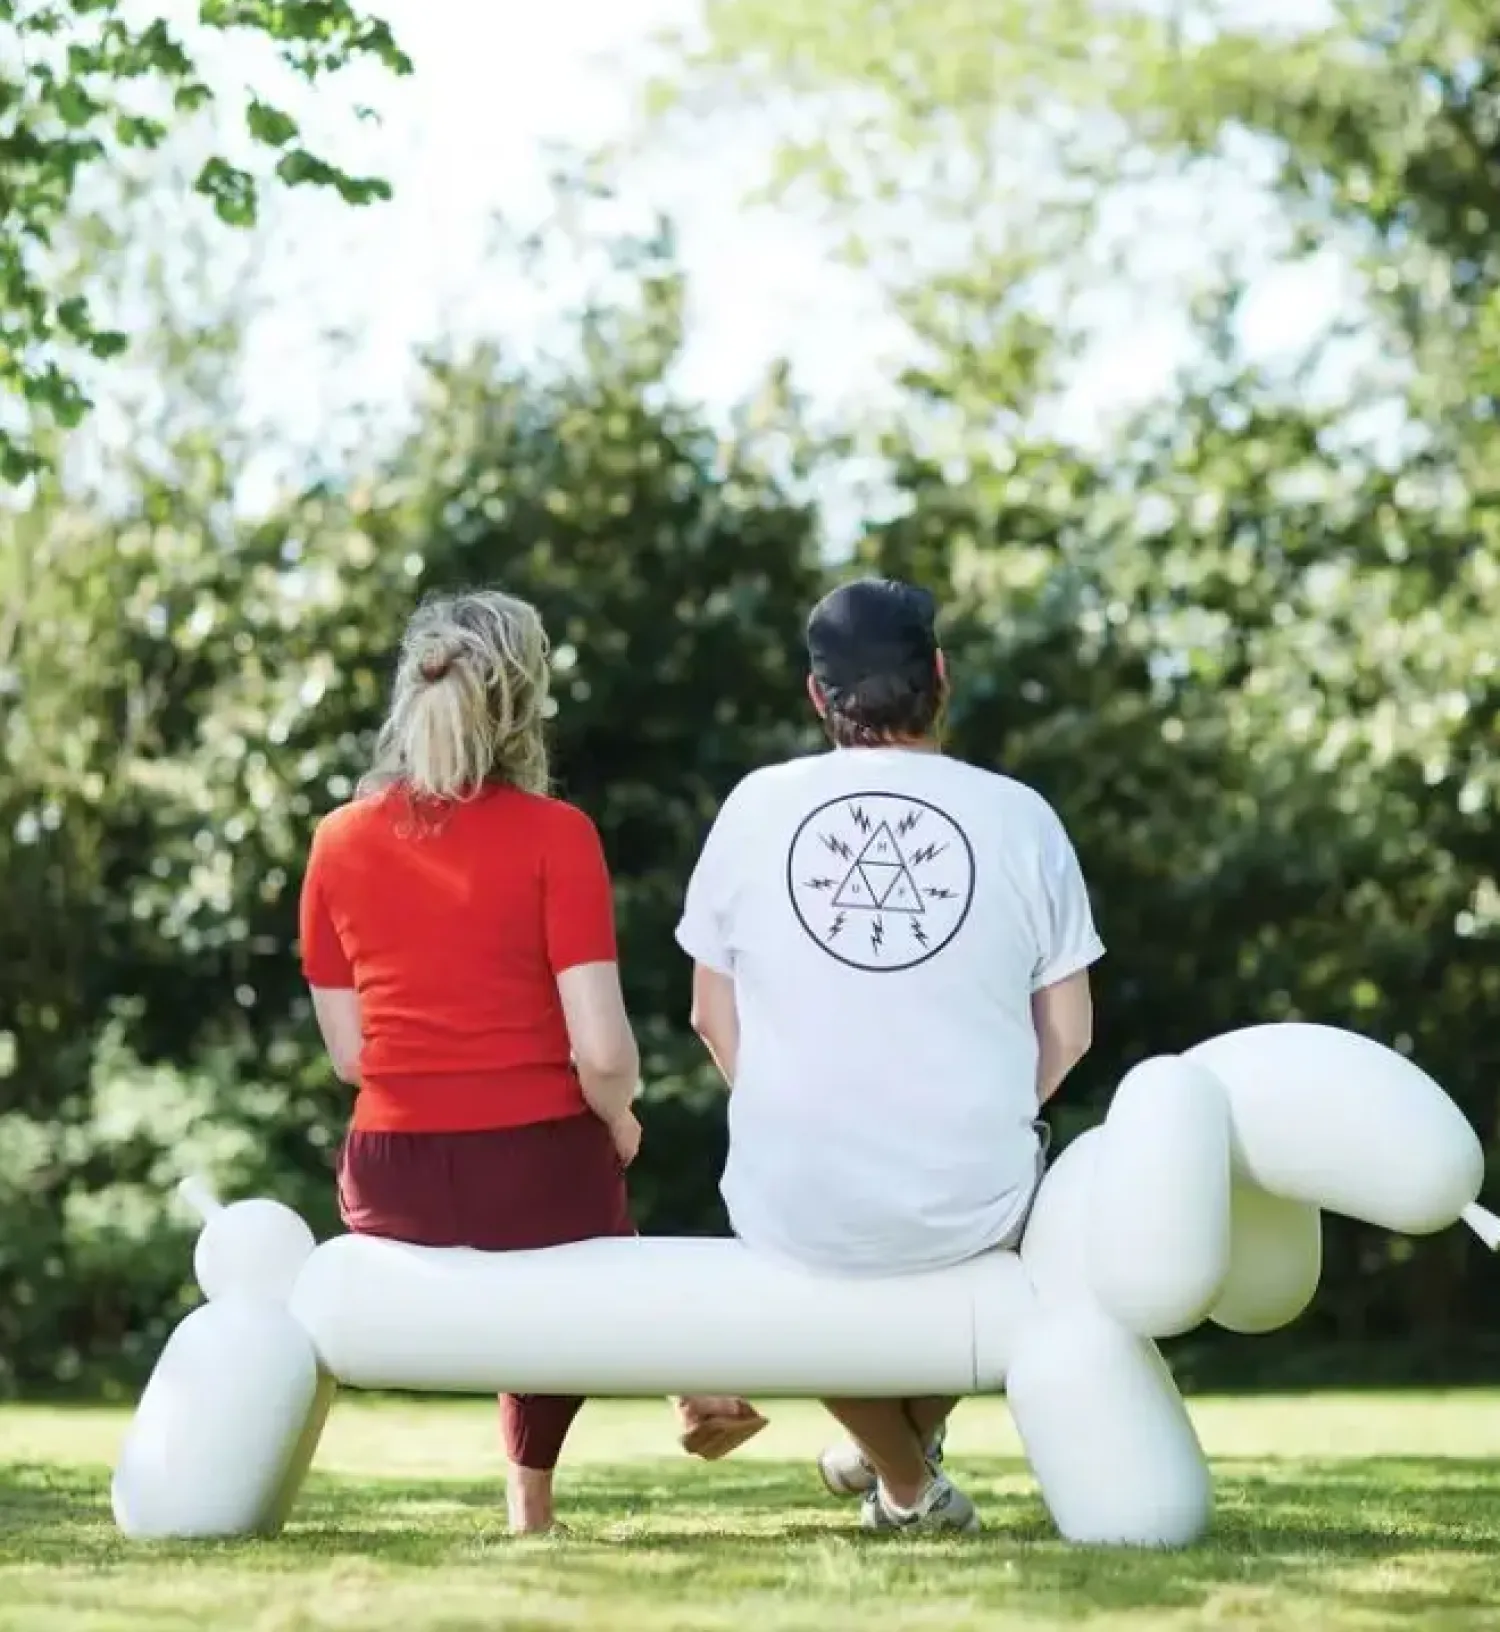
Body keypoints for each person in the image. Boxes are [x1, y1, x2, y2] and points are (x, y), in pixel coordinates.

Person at [297, 587, 765, 1535]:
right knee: (585, 1241)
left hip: (388, 1179)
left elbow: (349, 1058)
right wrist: (617, 1118)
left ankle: (689, 1388)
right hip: (534, 1165)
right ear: (521, 705)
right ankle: (621, 1434)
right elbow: (604, 1051)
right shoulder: (559, 834)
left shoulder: (336, 841)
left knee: (572, 1241)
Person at [675, 576, 1103, 1535]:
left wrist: (786, 1102)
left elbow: (709, 1014)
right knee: (992, 1230)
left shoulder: (755, 805)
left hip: (797, 1192)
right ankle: (905, 1467)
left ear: (816, 694)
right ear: (940, 676)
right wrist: (989, 1112)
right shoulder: (1022, 816)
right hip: (973, 1191)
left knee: (810, 1259)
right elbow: (1071, 1031)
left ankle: (902, 1480)